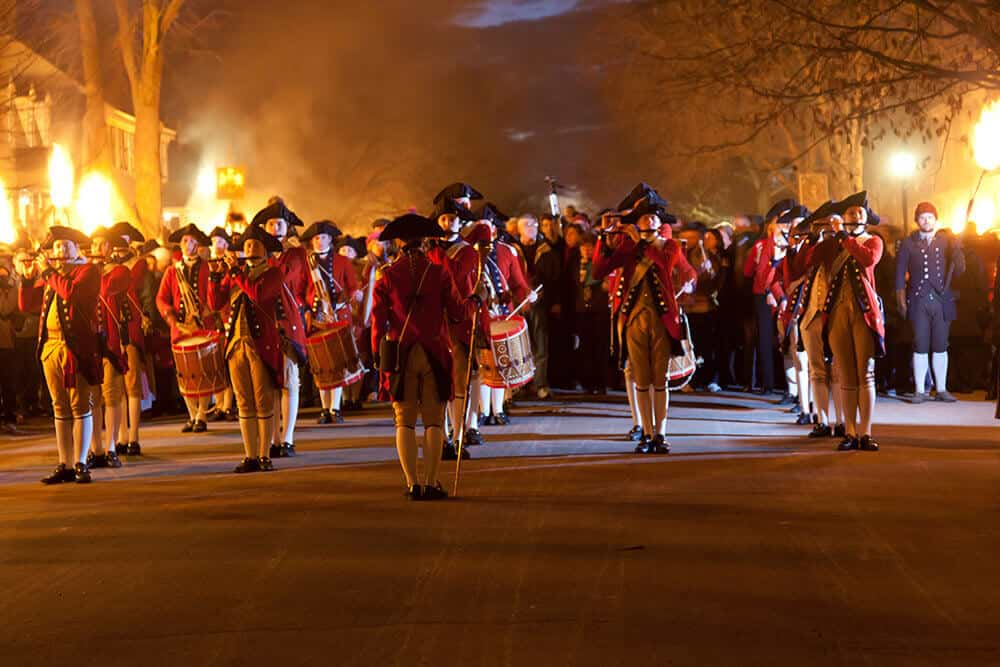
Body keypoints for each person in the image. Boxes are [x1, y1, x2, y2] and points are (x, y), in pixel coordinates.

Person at [371, 213, 478, 500]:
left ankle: (412, 484)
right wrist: (474, 302)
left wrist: (376, 354)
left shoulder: (387, 275)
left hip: (402, 352)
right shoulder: (439, 272)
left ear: (399, 243)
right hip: (434, 351)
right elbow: (458, 312)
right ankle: (431, 482)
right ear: (425, 242)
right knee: (433, 420)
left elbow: (378, 321)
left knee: (403, 420)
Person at [594, 194, 696, 453]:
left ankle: (660, 433)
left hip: (662, 320)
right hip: (634, 319)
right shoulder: (628, 247)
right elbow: (599, 271)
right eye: (644, 216)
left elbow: (663, 265)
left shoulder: (669, 245)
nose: (650, 219)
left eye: (654, 216)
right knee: (641, 378)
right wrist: (603, 239)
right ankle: (646, 433)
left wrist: (638, 240)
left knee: (659, 379)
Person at [208, 224, 301, 473]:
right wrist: (216, 277)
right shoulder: (235, 273)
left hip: (261, 345)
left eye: (254, 243)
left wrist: (236, 272)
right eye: (247, 243)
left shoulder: (273, 273)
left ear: (265, 249)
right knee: (244, 402)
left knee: (263, 401)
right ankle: (250, 455)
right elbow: (215, 302)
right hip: (236, 344)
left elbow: (257, 294)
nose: (248, 246)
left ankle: (263, 455)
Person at [19, 226, 102, 484]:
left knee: (79, 405)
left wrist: (48, 271)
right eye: (56, 247)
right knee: (59, 407)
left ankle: (80, 462)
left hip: (74, 349)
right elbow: (27, 305)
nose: (60, 251)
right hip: (51, 347)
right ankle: (64, 463)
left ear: (76, 249)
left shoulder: (87, 271)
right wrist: (27, 278)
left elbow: (72, 293)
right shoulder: (53, 275)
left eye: (66, 246)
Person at [819, 192, 885, 451]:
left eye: (859, 212)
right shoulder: (834, 243)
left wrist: (843, 236)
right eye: (850, 213)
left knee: (865, 374)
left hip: (863, 312)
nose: (855, 216)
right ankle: (849, 432)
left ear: (866, 217)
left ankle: (865, 432)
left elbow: (867, 259)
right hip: (836, 312)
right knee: (845, 374)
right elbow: (811, 261)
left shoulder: (874, 241)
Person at [250, 199, 309, 459]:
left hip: (287, 325)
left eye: (279, 224)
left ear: (288, 228)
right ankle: (273, 438)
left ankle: (287, 438)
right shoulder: (260, 254)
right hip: (263, 327)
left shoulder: (294, 254)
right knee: (270, 386)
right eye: (270, 224)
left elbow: (281, 278)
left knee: (289, 382)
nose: (275, 228)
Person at [426, 197, 482, 455]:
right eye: (443, 219)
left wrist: (437, 252)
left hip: (458, 322)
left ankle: (458, 435)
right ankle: (445, 436)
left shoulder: (468, 251)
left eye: (452, 218)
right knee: (439, 383)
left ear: (461, 221)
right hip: (435, 323)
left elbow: (455, 277)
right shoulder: (431, 249)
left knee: (460, 381)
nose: (448, 223)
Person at [895, 202, 965, 402]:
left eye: (930, 217)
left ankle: (941, 389)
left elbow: (960, 270)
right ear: (917, 220)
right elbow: (899, 275)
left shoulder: (946, 242)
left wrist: (958, 253)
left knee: (941, 344)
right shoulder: (908, 243)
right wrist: (901, 302)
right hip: (918, 301)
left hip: (942, 301)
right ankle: (919, 390)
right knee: (920, 344)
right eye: (922, 217)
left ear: (936, 220)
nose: (926, 221)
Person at [301, 219, 362, 425]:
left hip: (337, 315)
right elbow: (301, 292)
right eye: (316, 238)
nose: (320, 241)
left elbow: (352, 287)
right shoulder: (306, 263)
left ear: (330, 239)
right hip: (316, 319)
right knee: (320, 365)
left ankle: (334, 408)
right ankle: (324, 408)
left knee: (336, 363)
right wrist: (308, 307)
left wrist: (347, 299)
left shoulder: (342, 261)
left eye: (324, 237)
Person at [476, 204, 533, 425]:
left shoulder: (508, 252)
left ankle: (498, 409)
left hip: (503, 315)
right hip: (480, 317)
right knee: (483, 365)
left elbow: (519, 284)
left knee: (501, 364)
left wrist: (526, 296)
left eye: (486, 228)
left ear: (495, 230)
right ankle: (483, 410)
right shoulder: (469, 253)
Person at [156, 223, 215, 432]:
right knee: (184, 373)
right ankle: (192, 415)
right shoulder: (173, 271)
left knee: (204, 371)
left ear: (198, 244)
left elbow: (213, 295)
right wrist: (171, 318)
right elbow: (161, 298)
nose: (187, 244)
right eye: (184, 241)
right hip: (180, 329)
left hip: (202, 326)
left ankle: (202, 416)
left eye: (191, 241)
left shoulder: (208, 267)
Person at [85, 227, 131, 469]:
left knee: (111, 397)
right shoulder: (87, 271)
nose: (97, 249)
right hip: (91, 343)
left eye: (102, 244)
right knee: (93, 399)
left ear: (110, 248)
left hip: (111, 343)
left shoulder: (121, 271)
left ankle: (112, 446)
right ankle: (96, 449)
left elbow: (104, 289)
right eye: (94, 244)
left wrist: (94, 268)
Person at [109, 221, 155, 454]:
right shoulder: (105, 269)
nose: (118, 249)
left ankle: (134, 437)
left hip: (131, 331)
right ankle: (120, 437)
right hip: (110, 333)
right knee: (115, 389)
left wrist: (146, 316)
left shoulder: (139, 267)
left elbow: (146, 297)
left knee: (133, 385)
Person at [743, 199, 796, 395]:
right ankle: (769, 383)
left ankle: (788, 387)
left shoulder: (792, 242)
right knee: (767, 339)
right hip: (765, 295)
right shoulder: (762, 244)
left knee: (788, 339)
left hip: (787, 294)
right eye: (784, 220)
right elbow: (751, 271)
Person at [511, 214, 560, 399]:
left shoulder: (546, 250)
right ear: (519, 229)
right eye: (527, 225)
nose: (532, 227)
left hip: (539, 303)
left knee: (541, 344)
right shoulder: (514, 250)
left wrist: (548, 297)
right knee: (521, 345)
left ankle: (540, 384)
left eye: (534, 224)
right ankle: (522, 384)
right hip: (519, 303)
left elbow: (554, 279)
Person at [206, 226, 236, 422]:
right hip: (216, 321)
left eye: (220, 242)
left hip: (230, 320)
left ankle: (227, 405)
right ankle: (219, 404)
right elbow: (212, 300)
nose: (217, 246)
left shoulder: (229, 266)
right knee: (218, 365)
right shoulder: (212, 266)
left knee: (230, 366)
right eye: (214, 242)